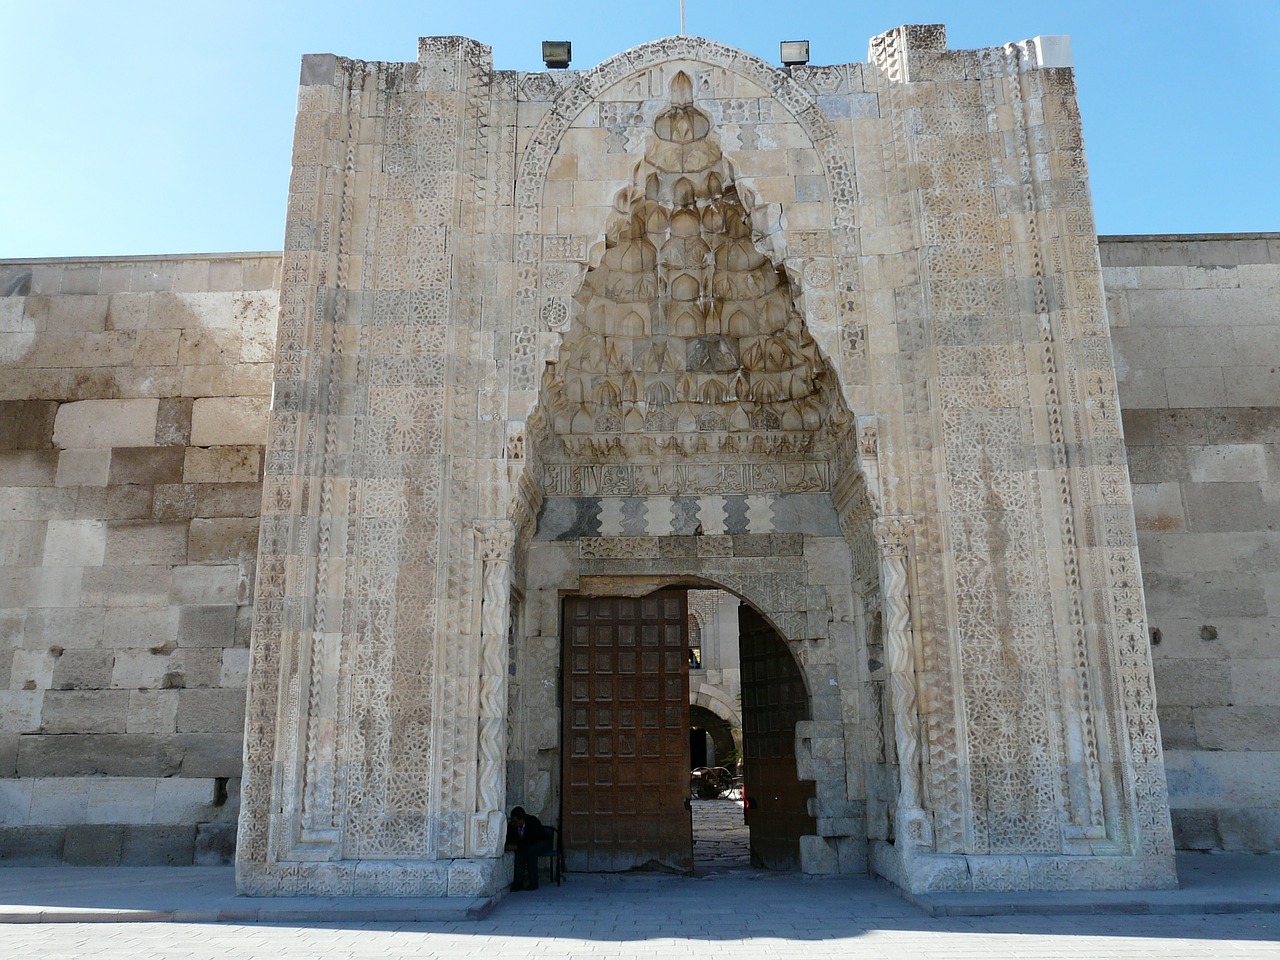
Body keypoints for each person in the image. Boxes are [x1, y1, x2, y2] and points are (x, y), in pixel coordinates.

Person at [504, 806, 552, 891]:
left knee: (531, 852)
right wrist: (508, 845)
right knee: (519, 853)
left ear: (522, 819)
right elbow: (510, 838)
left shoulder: (532, 822)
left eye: (516, 821)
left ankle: (533, 882)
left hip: (540, 842)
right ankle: (519, 883)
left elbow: (532, 840)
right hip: (525, 845)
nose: (514, 824)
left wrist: (517, 846)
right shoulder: (513, 826)